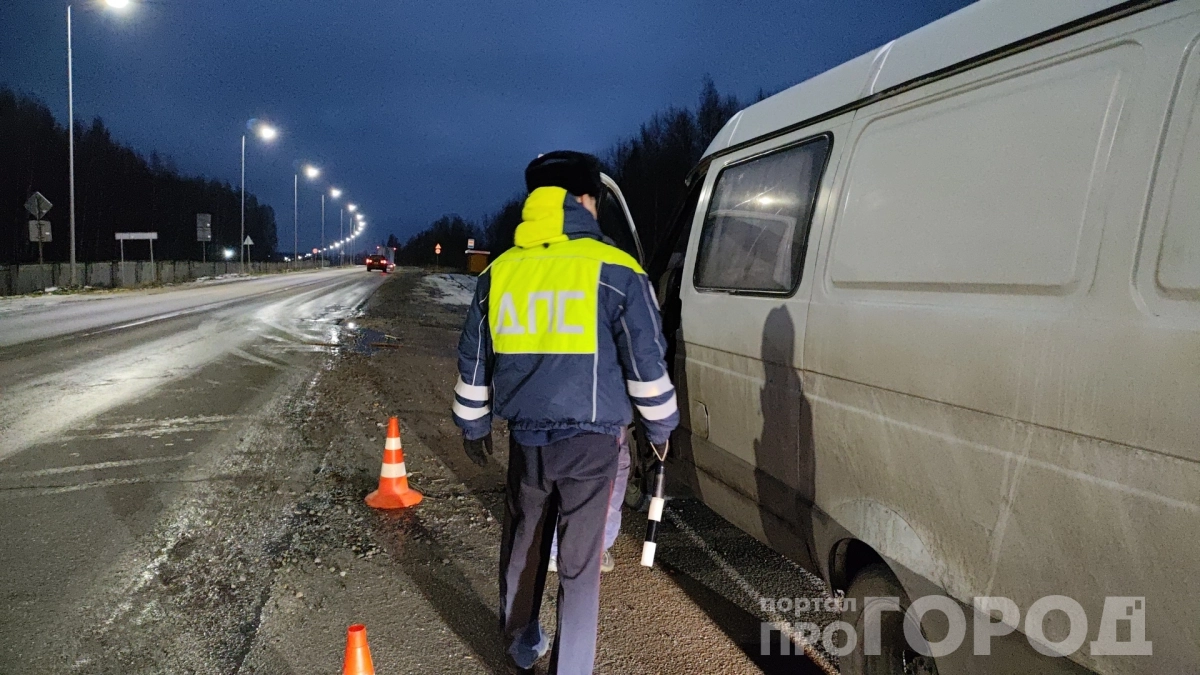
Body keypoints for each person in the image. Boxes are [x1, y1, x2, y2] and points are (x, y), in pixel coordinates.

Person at [451, 150, 677, 675]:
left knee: (524, 546)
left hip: (526, 442)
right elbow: (646, 362)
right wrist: (661, 427)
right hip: (593, 446)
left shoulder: (500, 271)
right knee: (579, 566)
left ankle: (520, 645)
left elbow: (475, 358)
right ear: (583, 200)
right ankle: (572, 667)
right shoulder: (617, 270)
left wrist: (473, 423)